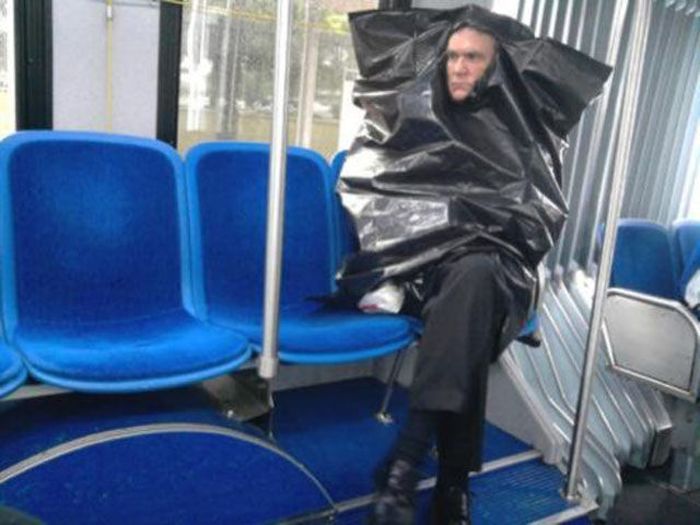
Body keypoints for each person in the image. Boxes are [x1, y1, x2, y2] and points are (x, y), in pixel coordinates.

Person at [368, 24, 532, 525]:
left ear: (495, 66)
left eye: (473, 58)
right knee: (471, 307)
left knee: (476, 281)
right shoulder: (415, 125)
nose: (459, 67)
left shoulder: (516, 138)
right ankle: (452, 483)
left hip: (488, 273)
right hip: (423, 274)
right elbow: (387, 210)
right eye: (453, 56)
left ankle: (406, 460)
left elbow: (525, 222)